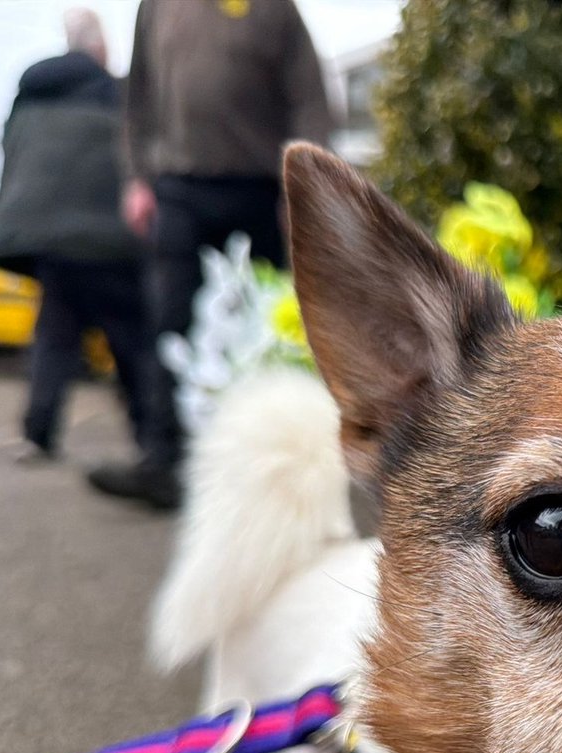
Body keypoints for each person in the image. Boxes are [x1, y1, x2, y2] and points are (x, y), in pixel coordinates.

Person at [86, 0, 334, 511]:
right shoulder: (155, 6)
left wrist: (307, 191)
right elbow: (139, 99)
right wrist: (136, 177)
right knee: (169, 323)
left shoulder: (276, 8)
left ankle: (256, 468)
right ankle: (163, 464)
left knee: (258, 328)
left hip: (260, 190)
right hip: (178, 188)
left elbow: (308, 96)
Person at [0, 9, 150, 464]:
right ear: (99, 46)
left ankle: (39, 434)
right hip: (107, 240)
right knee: (130, 338)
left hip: (50, 241)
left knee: (55, 334)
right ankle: (154, 440)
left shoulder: (33, 91)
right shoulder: (115, 93)